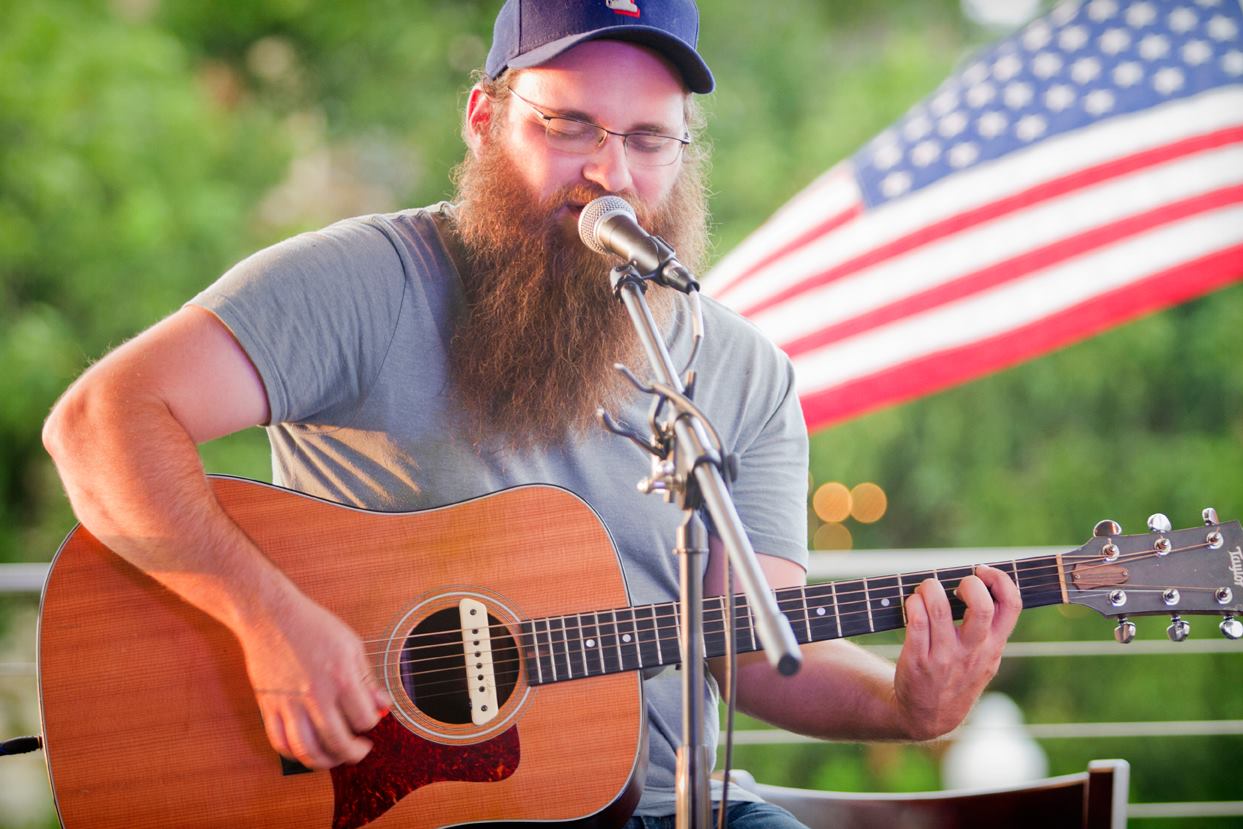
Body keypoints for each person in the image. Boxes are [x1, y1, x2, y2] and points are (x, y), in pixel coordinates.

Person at [42, 1, 1021, 826]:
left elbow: (745, 646)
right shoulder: (366, 282)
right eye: (568, 126)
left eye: (647, 140)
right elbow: (99, 422)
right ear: (483, 117)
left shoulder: (741, 375)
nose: (610, 171)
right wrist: (268, 623)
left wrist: (905, 706)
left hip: (660, 804)